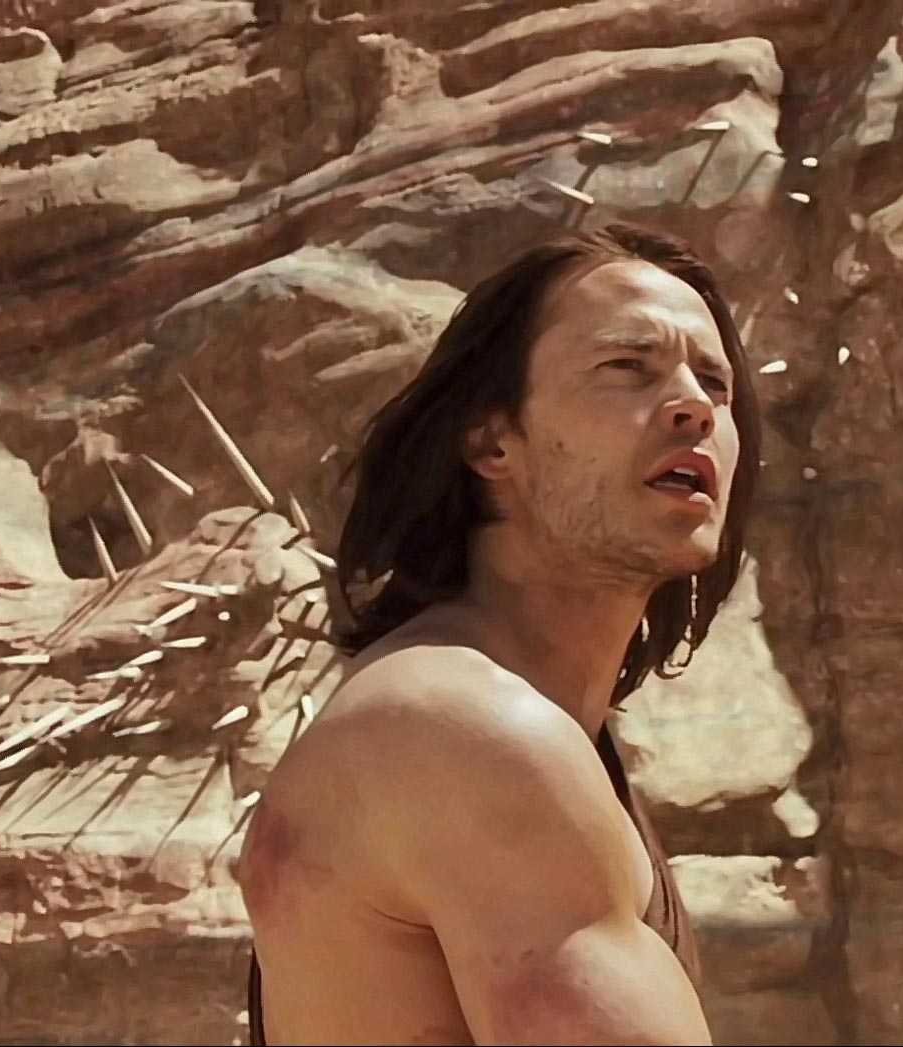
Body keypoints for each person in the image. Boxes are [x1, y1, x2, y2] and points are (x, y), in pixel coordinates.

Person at [236, 223, 762, 1045]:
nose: (696, 405)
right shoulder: (467, 730)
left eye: (717, 383)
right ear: (492, 441)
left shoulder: (539, 732)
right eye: (628, 366)